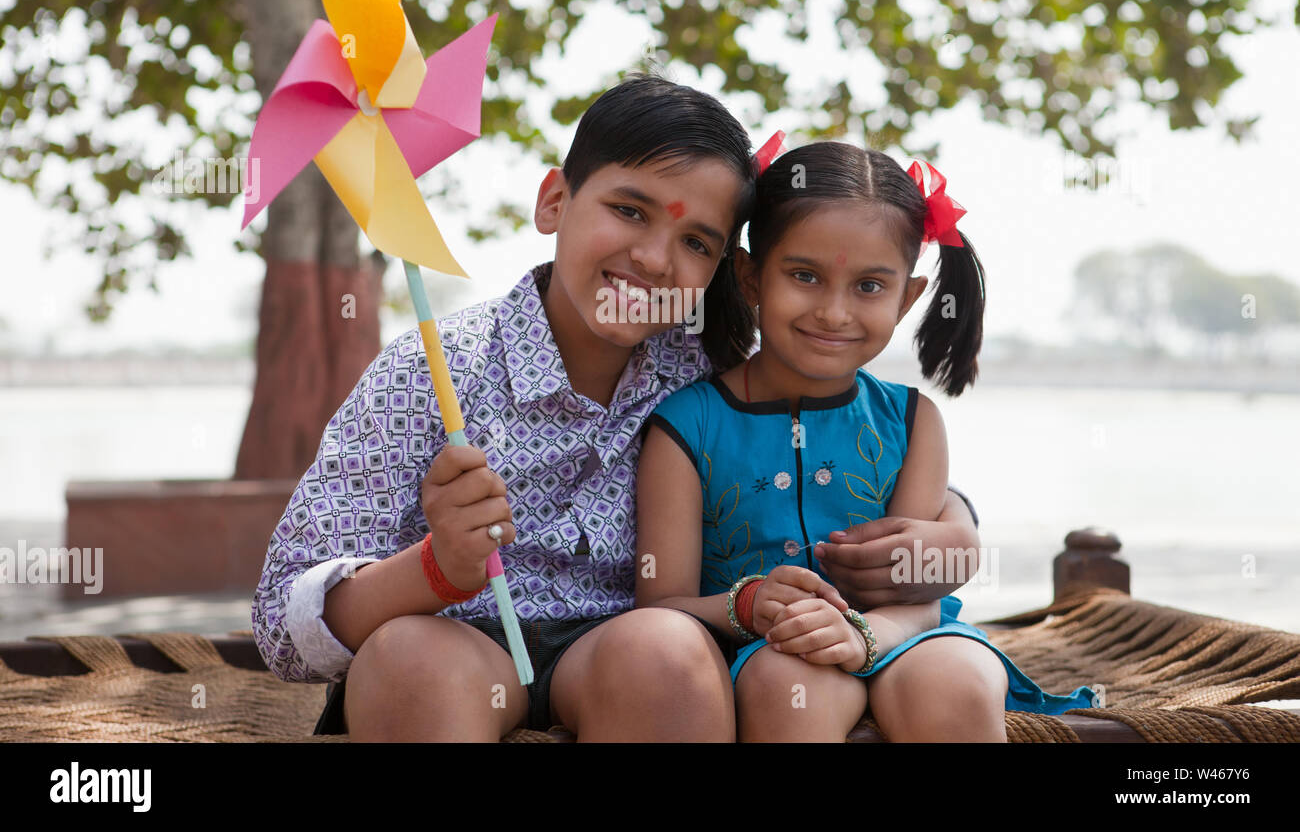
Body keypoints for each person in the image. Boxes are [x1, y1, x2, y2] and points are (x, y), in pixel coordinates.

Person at [253, 75, 982, 741]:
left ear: (728, 269)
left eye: (695, 241)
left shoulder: (708, 368)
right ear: (555, 202)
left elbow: (840, 454)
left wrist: (959, 531)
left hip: (622, 654)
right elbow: (281, 631)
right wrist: (436, 570)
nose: (656, 260)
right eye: (628, 210)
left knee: (661, 647)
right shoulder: (431, 371)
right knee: (412, 658)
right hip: (454, 646)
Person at [636, 140, 1097, 742]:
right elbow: (660, 604)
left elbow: (918, 593)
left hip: (910, 636)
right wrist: (744, 606)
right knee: (791, 687)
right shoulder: (686, 425)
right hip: (766, 646)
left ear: (908, 298)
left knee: (956, 681)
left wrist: (867, 636)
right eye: (804, 276)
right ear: (751, 277)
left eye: (870, 287)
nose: (833, 312)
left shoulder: (912, 421)